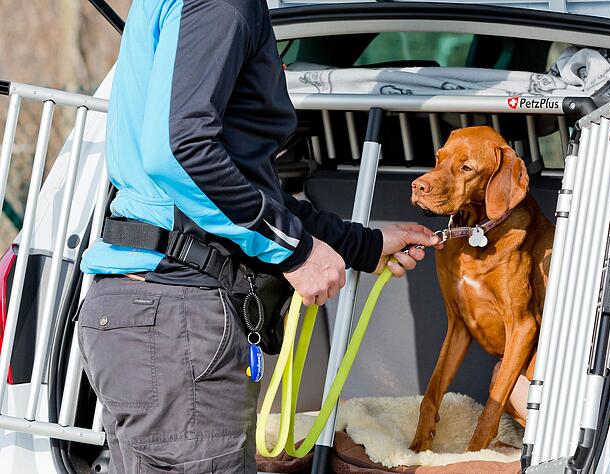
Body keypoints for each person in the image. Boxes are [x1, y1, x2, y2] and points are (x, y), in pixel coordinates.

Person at [76, 1, 437, 472]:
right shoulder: (224, 4)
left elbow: (234, 184)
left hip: (140, 311)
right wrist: (295, 252)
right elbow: (179, 154)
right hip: (179, 317)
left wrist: (360, 245)